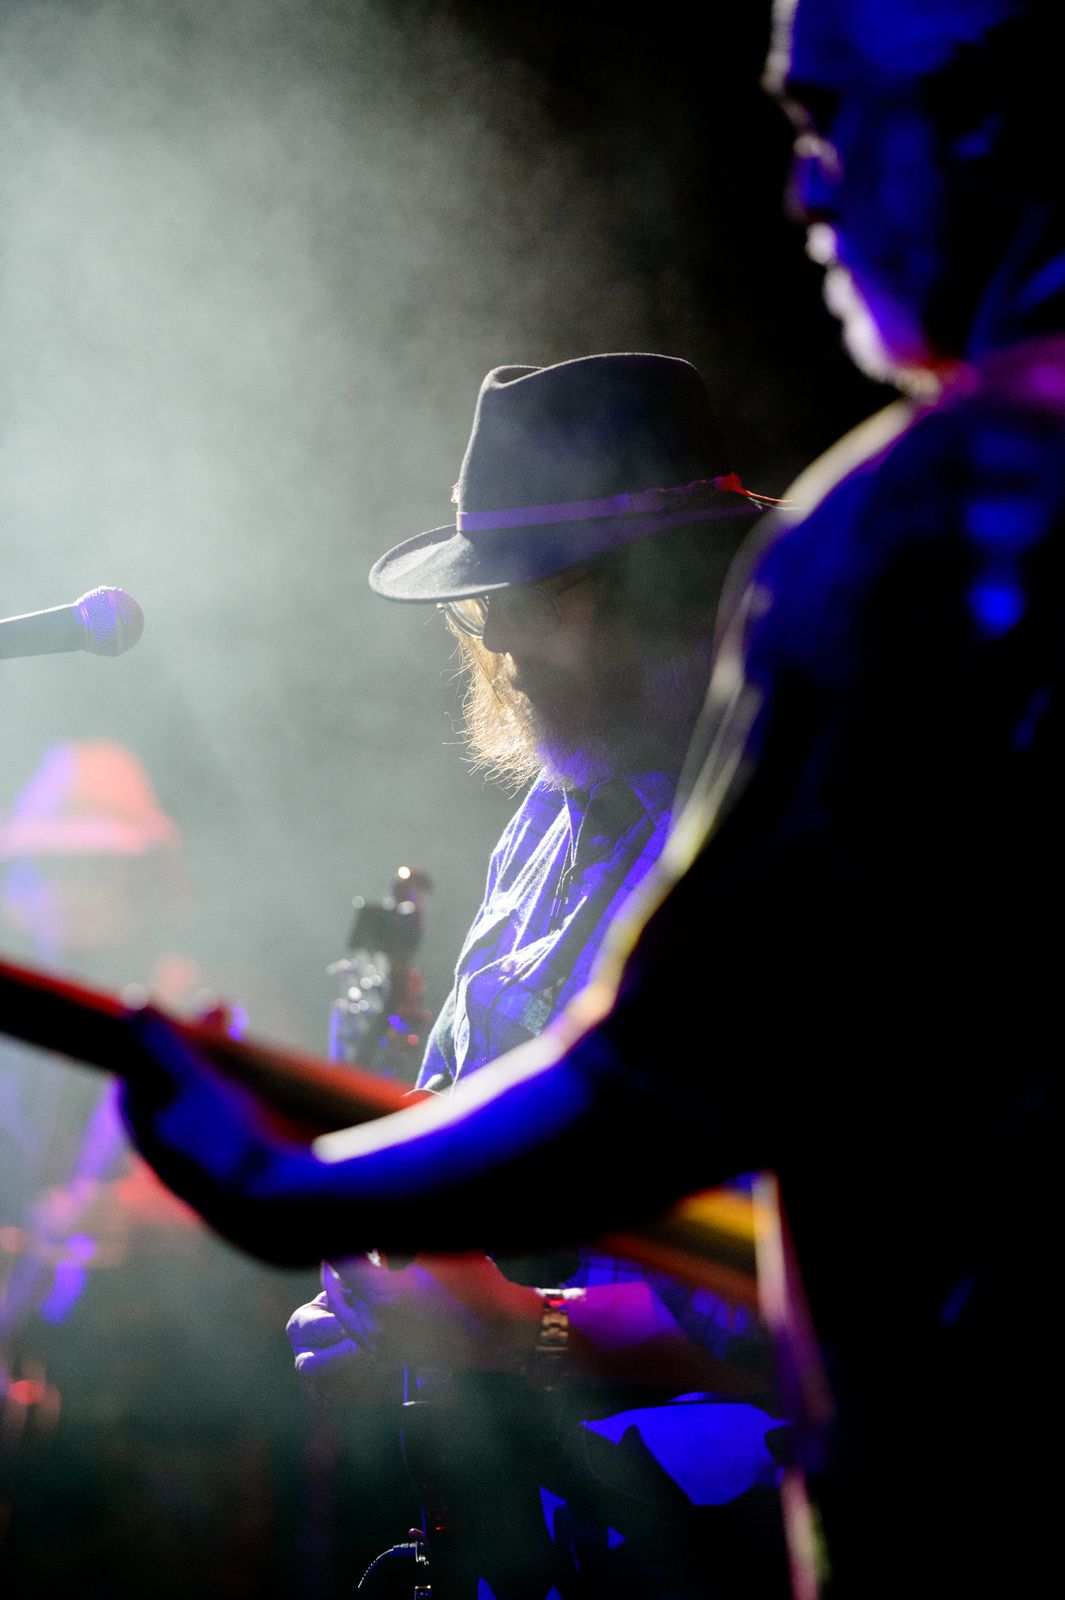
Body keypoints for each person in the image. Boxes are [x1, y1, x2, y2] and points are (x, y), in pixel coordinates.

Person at [116, 1, 1062, 1591]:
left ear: (986, 120)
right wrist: (396, 1259)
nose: (801, 187)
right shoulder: (548, 833)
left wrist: (307, 1198)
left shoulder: (947, 517)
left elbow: (659, 1094)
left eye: (829, 120)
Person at [288, 352, 788, 1598]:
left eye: (539, 592)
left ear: (673, 591)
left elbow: (791, 1285)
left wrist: (516, 1329)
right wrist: (389, 1287)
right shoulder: (552, 816)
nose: (499, 636)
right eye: (483, 605)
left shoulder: (783, 827)